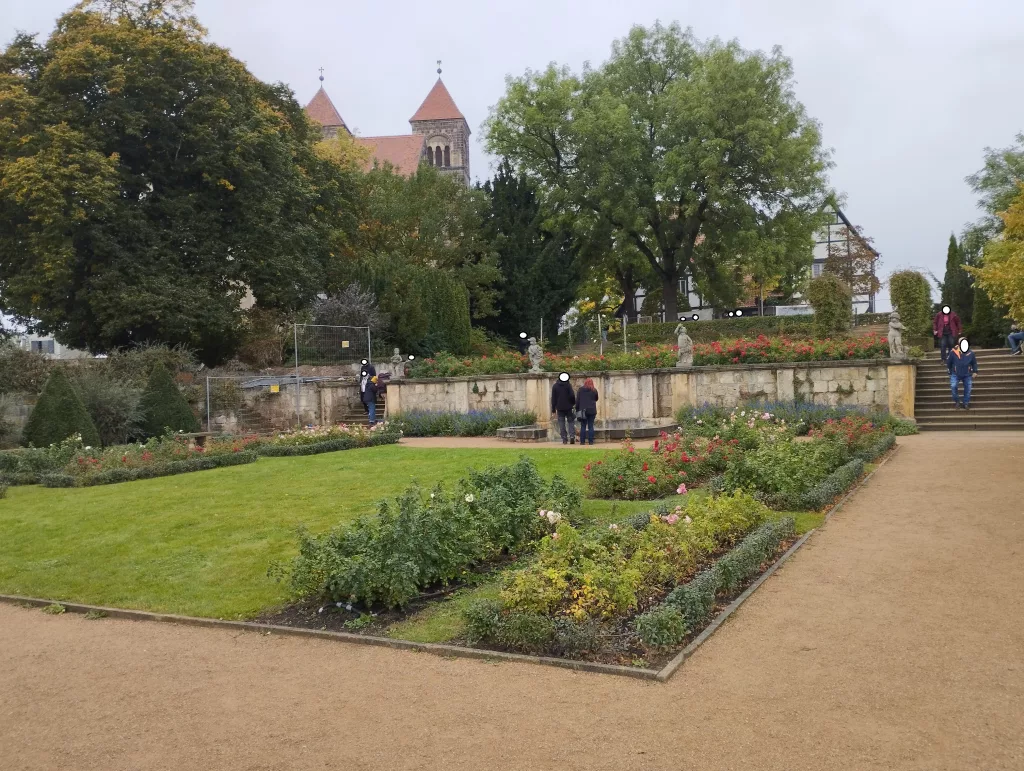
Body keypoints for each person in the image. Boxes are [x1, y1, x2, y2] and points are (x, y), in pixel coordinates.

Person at [946, 336, 978, 410]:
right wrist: (949, 372)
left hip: (967, 374)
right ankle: (957, 402)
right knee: (953, 386)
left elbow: (974, 363)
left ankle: (965, 403)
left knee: (968, 389)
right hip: (955, 373)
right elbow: (949, 363)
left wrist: (975, 371)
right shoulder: (953, 352)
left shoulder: (971, 353)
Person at [550, 372, 576, 445]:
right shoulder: (568, 385)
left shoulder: (555, 386)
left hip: (560, 407)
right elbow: (572, 395)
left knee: (561, 423)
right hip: (568, 407)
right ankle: (572, 436)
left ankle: (564, 438)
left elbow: (553, 399)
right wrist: (573, 403)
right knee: (571, 422)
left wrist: (553, 409)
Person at [576, 378, 599, 445]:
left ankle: (582, 442)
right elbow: (596, 399)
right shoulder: (594, 390)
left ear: (585, 383)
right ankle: (591, 442)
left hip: (583, 410)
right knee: (591, 426)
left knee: (583, 426)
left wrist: (577, 410)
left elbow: (577, 401)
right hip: (592, 410)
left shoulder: (580, 390)